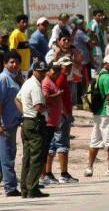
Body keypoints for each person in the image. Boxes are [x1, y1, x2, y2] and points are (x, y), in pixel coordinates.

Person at [15, 61, 49, 198]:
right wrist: (43, 110)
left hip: (27, 121)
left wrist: (25, 113)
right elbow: (39, 106)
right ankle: (32, 188)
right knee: (37, 157)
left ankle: (25, 188)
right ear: (34, 70)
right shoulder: (35, 85)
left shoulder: (27, 83)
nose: (42, 73)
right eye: (40, 71)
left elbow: (17, 99)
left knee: (28, 157)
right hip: (35, 122)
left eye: (44, 71)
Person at [86, 54, 109, 177]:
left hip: (98, 112)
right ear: (105, 63)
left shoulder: (98, 76)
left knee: (95, 141)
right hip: (107, 112)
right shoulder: (108, 78)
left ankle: (89, 168)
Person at [46, 56, 79, 183]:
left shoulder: (62, 77)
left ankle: (48, 174)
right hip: (61, 115)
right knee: (62, 144)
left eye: (70, 65)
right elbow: (55, 97)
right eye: (66, 66)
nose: (69, 68)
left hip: (59, 115)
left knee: (53, 144)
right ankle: (63, 174)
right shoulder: (60, 78)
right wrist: (64, 113)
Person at [0, 52, 22, 196]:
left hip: (12, 123)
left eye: (17, 62)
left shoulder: (13, 78)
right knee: (7, 155)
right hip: (5, 124)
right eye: (11, 62)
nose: (14, 65)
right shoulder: (4, 79)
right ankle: (10, 187)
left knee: (4, 155)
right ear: (5, 63)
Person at [39, 62, 63, 185]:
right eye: (54, 70)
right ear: (48, 71)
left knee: (48, 148)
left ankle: (45, 174)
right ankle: (43, 176)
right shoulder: (46, 82)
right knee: (44, 149)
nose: (56, 73)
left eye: (58, 71)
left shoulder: (53, 81)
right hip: (47, 122)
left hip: (53, 122)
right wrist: (57, 95)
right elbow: (45, 98)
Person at [73, 15, 94, 103]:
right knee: (86, 82)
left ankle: (79, 101)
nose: (82, 25)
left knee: (79, 81)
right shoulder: (80, 32)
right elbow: (91, 43)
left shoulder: (74, 33)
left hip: (79, 60)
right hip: (84, 61)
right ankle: (86, 101)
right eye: (80, 24)